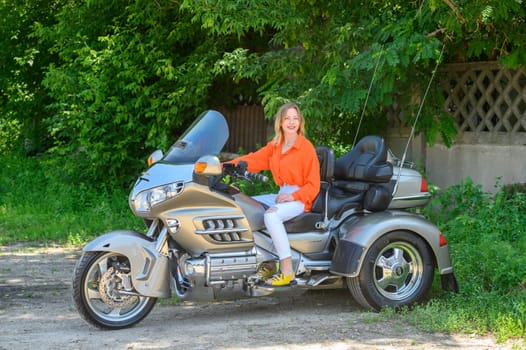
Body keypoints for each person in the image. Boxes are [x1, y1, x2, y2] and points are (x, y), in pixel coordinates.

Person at [229, 102, 320, 286]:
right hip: (282, 194)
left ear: (300, 122)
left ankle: (287, 271)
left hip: (301, 197)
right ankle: (268, 261)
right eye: (287, 118)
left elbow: (314, 185)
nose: (291, 122)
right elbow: (253, 160)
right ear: (280, 122)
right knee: (244, 207)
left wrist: (293, 196)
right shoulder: (276, 146)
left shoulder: (306, 147)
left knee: (271, 217)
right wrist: (223, 166)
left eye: (295, 118)